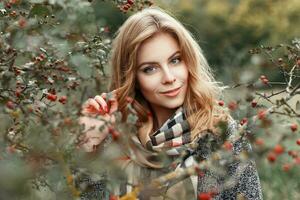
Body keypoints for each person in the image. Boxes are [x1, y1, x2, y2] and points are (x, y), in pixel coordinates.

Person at [78, 6, 263, 200]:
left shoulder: (220, 135)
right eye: (150, 69)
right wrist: (87, 148)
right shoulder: (112, 138)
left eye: (175, 60)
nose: (169, 77)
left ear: (188, 61)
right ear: (132, 77)